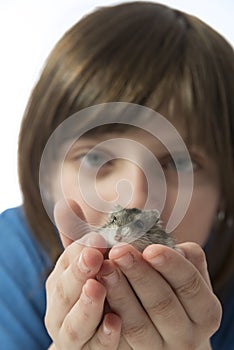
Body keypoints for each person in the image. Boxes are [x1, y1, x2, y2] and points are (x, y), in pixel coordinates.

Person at [1, 1, 234, 349]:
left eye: (179, 164)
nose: (135, 197)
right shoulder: (9, 257)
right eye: (96, 158)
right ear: (43, 172)